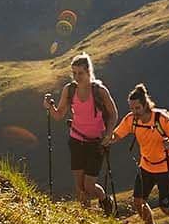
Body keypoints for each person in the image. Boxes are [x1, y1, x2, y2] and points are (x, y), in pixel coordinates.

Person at [102, 83, 169, 224]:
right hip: (146, 166)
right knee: (138, 201)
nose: (134, 112)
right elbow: (117, 135)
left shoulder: (161, 119)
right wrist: (107, 140)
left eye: (137, 108)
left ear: (145, 105)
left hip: (166, 167)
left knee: (165, 206)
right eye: (132, 108)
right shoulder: (131, 120)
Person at [42, 52, 118, 213]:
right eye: (74, 73)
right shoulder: (69, 90)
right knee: (79, 186)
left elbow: (113, 114)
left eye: (80, 73)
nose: (77, 77)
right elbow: (59, 115)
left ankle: (104, 199)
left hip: (96, 143)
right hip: (76, 140)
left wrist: (108, 134)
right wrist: (49, 107)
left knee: (89, 186)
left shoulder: (99, 91)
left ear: (89, 71)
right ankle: (86, 219)